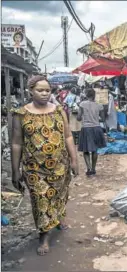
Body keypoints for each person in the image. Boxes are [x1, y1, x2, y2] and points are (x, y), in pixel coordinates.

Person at [11, 75, 79, 256]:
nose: (44, 94)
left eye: (47, 90)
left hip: (60, 164)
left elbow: (68, 136)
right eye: (40, 90)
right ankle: (44, 235)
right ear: (30, 91)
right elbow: (16, 143)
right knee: (41, 200)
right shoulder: (21, 114)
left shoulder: (58, 110)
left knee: (59, 195)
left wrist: (74, 159)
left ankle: (58, 217)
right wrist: (15, 170)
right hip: (34, 168)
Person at [77, 88, 106, 176]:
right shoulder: (99, 105)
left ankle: (88, 168)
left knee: (85, 150)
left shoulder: (82, 104)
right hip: (97, 128)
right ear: (94, 95)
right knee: (95, 150)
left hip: (86, 128)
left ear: (86, 95)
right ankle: (93, 169)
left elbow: (78, 118)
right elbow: (103, 118)